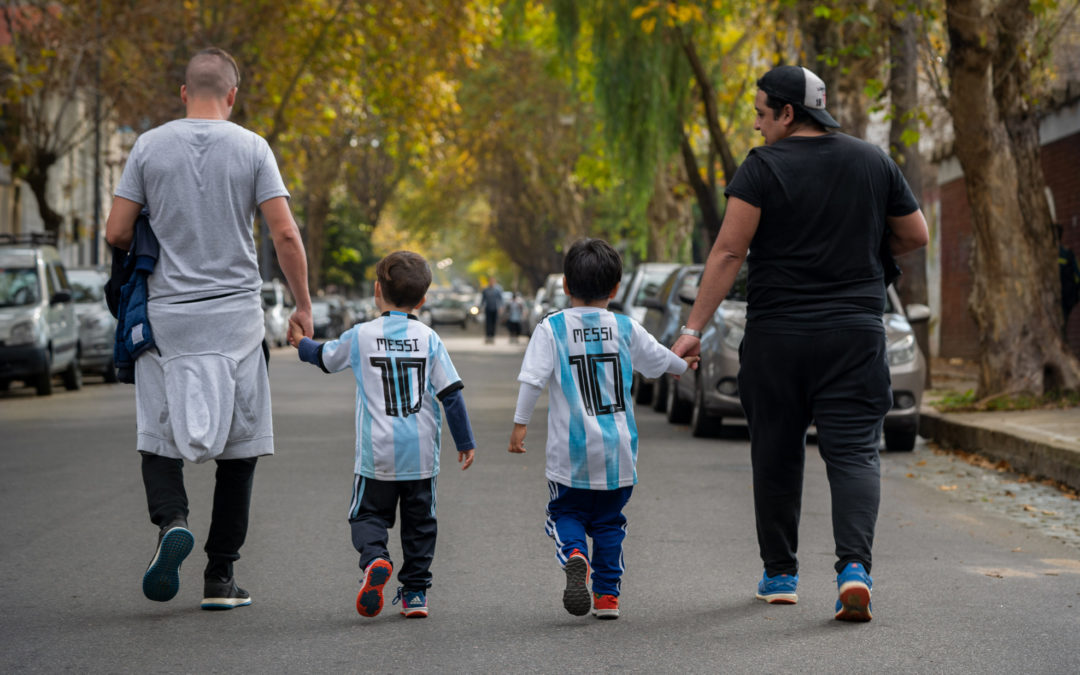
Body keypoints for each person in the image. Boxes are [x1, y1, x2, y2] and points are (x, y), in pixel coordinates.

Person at [670, 65, 928, 622]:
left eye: (763, 114)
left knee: (777, 450)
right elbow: (915, 235)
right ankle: (854, 570)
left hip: (778, 337)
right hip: (855, 335)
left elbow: (728, 253)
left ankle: (781, 575)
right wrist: (862, 244)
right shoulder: (872, 161)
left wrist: (692, 331)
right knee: (856, 452)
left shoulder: (763, 167)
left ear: (789, 113)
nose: (758, 126)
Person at [105, 47, 313, 610]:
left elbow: (117, 230)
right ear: (232, 96)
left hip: (166, 318)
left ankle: (173, 519)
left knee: (159, 434)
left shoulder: (149, 146)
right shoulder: (252, 147)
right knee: (239, 449)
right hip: (236, 322)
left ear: (182, 94)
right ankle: (220, 576)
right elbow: (284, 234)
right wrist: (302, 307)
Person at [508, 238, 697, 619]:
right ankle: (608, 597)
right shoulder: (625, 327)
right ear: (615, 289)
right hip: (619, 452)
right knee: (610, 524)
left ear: (565, 285)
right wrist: (684, 365)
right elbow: (659, 360)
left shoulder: (552, 328)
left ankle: (575, 553)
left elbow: (532, 380)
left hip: (571, 455)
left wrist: (520, 427)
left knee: (566, 514)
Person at [290, 251, 476, 619]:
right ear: (423, 300)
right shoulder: (428, 338)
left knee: (366, 515)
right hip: (420, 455)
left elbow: (325, 358)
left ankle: (376, 558)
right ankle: (416, 594)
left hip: (376, 456)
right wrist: (465, 442)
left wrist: (300, 344)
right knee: (421, 524)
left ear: (377, 290)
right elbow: (450, 394)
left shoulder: (361, 335)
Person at [1058, 224, 1079, 331]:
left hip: (1063, 296)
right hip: (1067, 296)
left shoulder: (1064, 253)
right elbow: (1077, 273)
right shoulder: (1067, 253)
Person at [480, 277, 503, 344]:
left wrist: (500, 307)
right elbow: (483, 300)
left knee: (494, 323)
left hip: (495, 308)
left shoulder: (498, 290)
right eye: (490, 281)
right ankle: (488, 336)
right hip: (488, 308)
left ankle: (492, 337)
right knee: (488, 323)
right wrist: (481, 307)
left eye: (493, 281)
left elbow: (500, 299)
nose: (491, 282)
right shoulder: (485, 290)